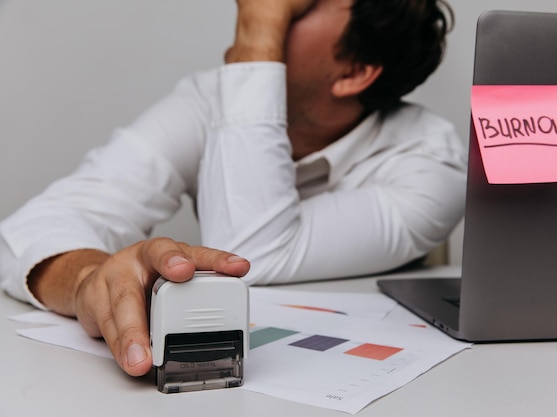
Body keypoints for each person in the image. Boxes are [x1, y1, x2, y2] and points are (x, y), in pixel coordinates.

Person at [0, 0, 466, 377]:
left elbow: (247, 249)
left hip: (369, 385)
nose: (258, 7)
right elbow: (24, 232)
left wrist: (257, 38)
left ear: (354, 71)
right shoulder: (209, 102)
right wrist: (89, 282)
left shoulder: (433, 162)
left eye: (298, 7)